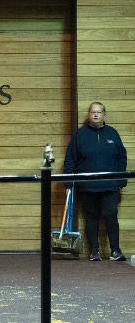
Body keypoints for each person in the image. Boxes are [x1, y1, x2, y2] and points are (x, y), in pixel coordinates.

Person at [63, 102, 128, 261]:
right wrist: (68, 184)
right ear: (89, 114)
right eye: (93, 112)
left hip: (110, 186)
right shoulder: (79, 135)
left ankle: (115, 251)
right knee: (91, 218)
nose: (96, 115)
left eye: (99, 112)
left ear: (104, 114)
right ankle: (94, 252)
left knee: (110, 215)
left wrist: (121, 180)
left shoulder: (113, 134)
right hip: (87, 187)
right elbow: (70, 160)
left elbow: (122, 157)